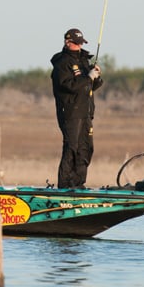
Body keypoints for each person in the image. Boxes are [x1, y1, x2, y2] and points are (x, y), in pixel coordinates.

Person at [50, 28, 103, 188]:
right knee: (71, 148)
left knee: (86, 148)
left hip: (86, 113)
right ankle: (65, 185)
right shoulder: (62, 63)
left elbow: (90, 85)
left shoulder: (83, 61)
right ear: (68, 42)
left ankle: (78, 184)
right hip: (71, 113)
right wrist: (87, 78)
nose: (79, 47)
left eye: (81, 43)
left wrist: (96, 76)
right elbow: (69, 86)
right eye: (77, 43)